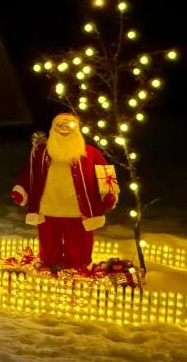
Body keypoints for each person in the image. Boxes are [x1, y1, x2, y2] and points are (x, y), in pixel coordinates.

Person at [10, 113, 118, 270]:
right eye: (59, 125)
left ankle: (79, 267)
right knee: (48, 244)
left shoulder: (91, 153)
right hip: (47, 209)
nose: (64, 129)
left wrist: (109, 194)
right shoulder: (40, 153)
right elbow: (29, 173)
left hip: (78, 211)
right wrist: (21, 190)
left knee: (79, 245)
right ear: (52, 129)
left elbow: (105, 175)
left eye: (69, 126)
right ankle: (49, 265)